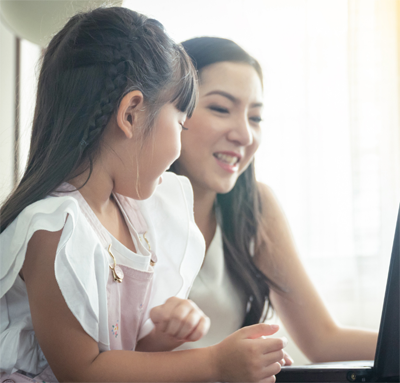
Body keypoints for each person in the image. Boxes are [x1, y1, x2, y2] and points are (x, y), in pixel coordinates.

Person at [0, 10, 286, 383]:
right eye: (180, 124)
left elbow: (121, 358)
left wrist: (162, 336)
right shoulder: (55, 228)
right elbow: (84, 372)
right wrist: (214, 363)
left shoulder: (132, 215)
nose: (178, 146)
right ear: (132, 113)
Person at [171, 36, 378, 363]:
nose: (245, 135)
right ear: (171, 111)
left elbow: (323, 340)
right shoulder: (130, 206)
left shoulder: (255, 207)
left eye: (255, 117)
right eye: (221, 109)